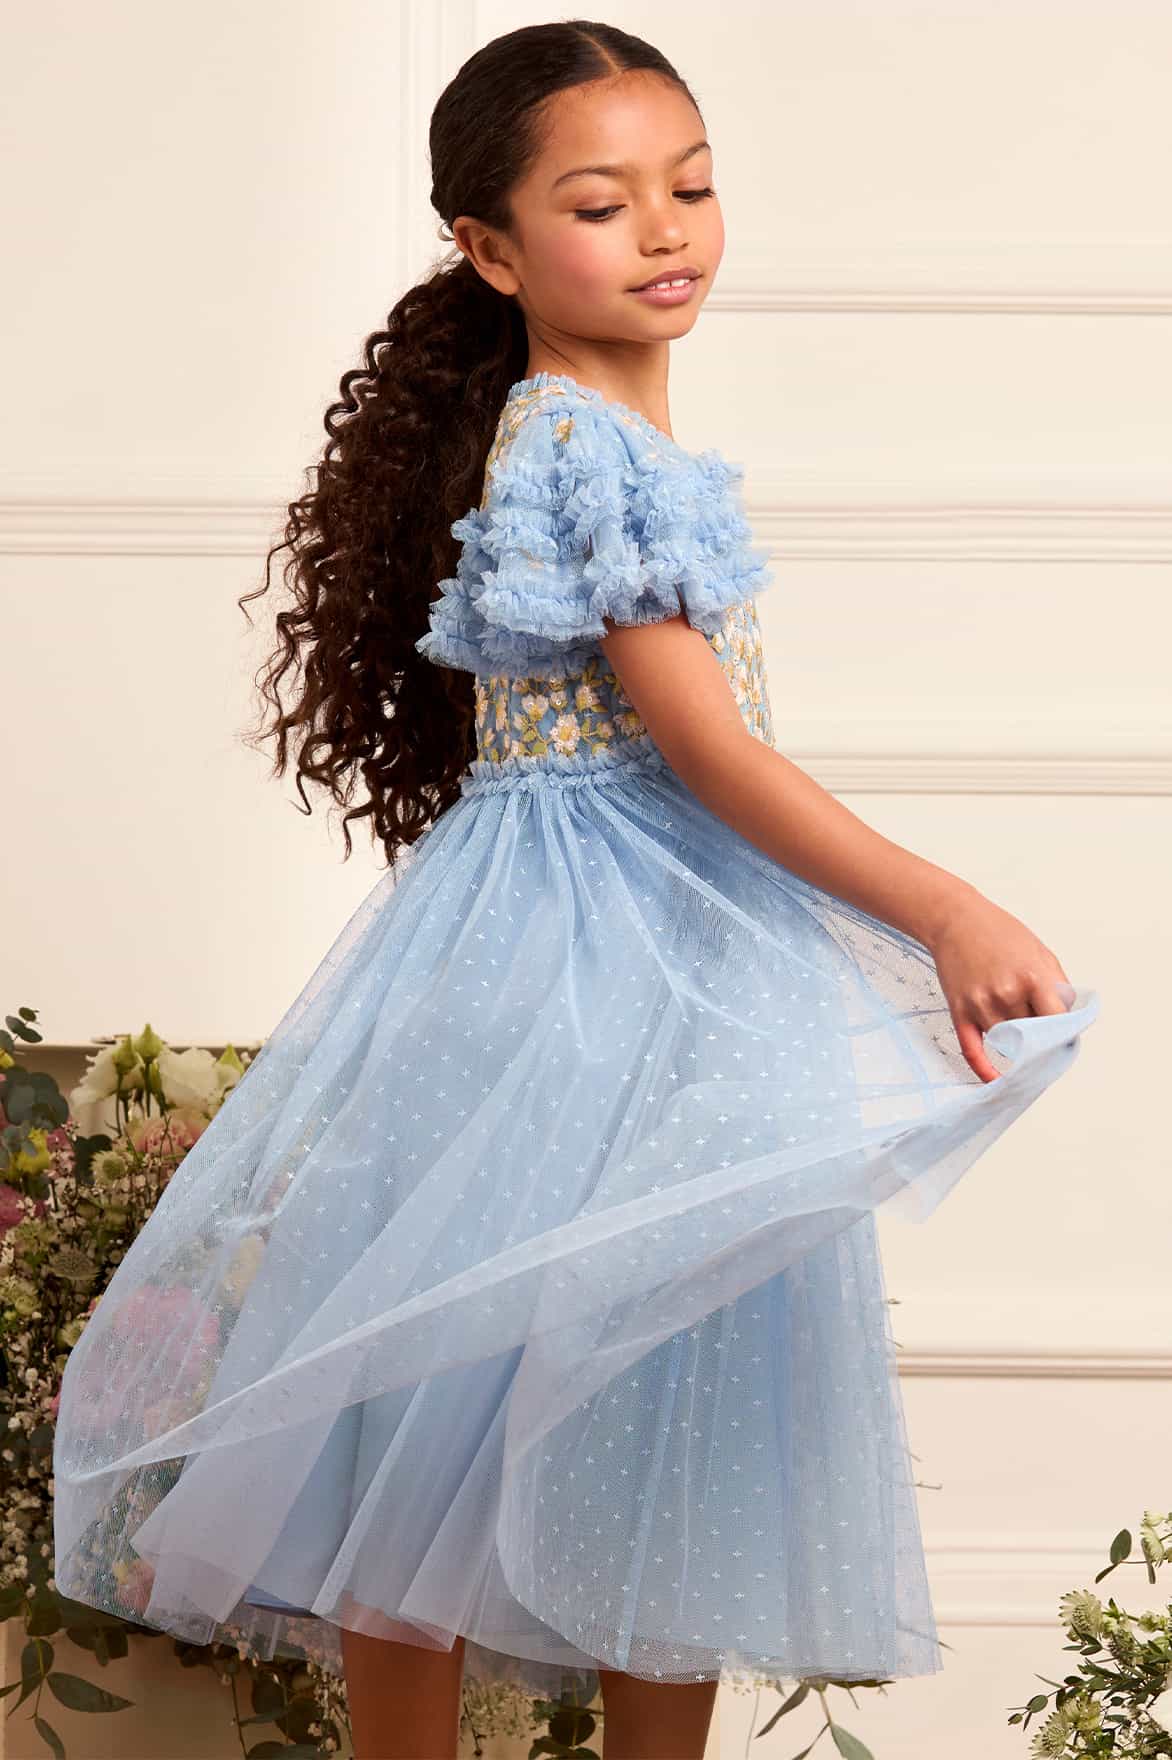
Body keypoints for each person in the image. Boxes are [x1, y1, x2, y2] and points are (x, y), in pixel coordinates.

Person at [51, 20, 1099, 1760]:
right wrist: (943, 913)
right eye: (604, 206)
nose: (667, 231)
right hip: (584, 967)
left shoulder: (601, 435)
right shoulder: (583, 447)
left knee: (616, 1391)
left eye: (692, 188)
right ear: (492, 248)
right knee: (505, 1394)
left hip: (634, 946)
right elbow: (707, 751)